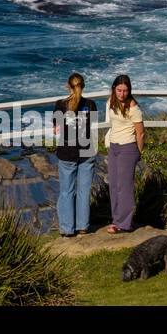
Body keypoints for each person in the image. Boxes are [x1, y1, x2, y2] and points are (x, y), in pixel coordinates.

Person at [52, 72, 98, 237]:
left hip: (67, 152)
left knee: (66, 191)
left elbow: (56, 129)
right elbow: (92, 128)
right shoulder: (91, 105)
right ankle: (82, 227)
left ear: (68, 86)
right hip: (87, 152)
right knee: (84, 191)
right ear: (83, 86)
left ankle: (67, 229)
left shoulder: (60, 105)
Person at [104, 73, 145, 233]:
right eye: (119, 90)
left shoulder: (133, 108)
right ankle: (116, 220)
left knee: (124, 186)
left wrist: (139, 152)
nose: (122, 94)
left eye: (125, 90)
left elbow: (140, 133)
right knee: (113, 185)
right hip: (114, 147)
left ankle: (124, 223)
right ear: (114, 89)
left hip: (128, 148)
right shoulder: (111, 102)